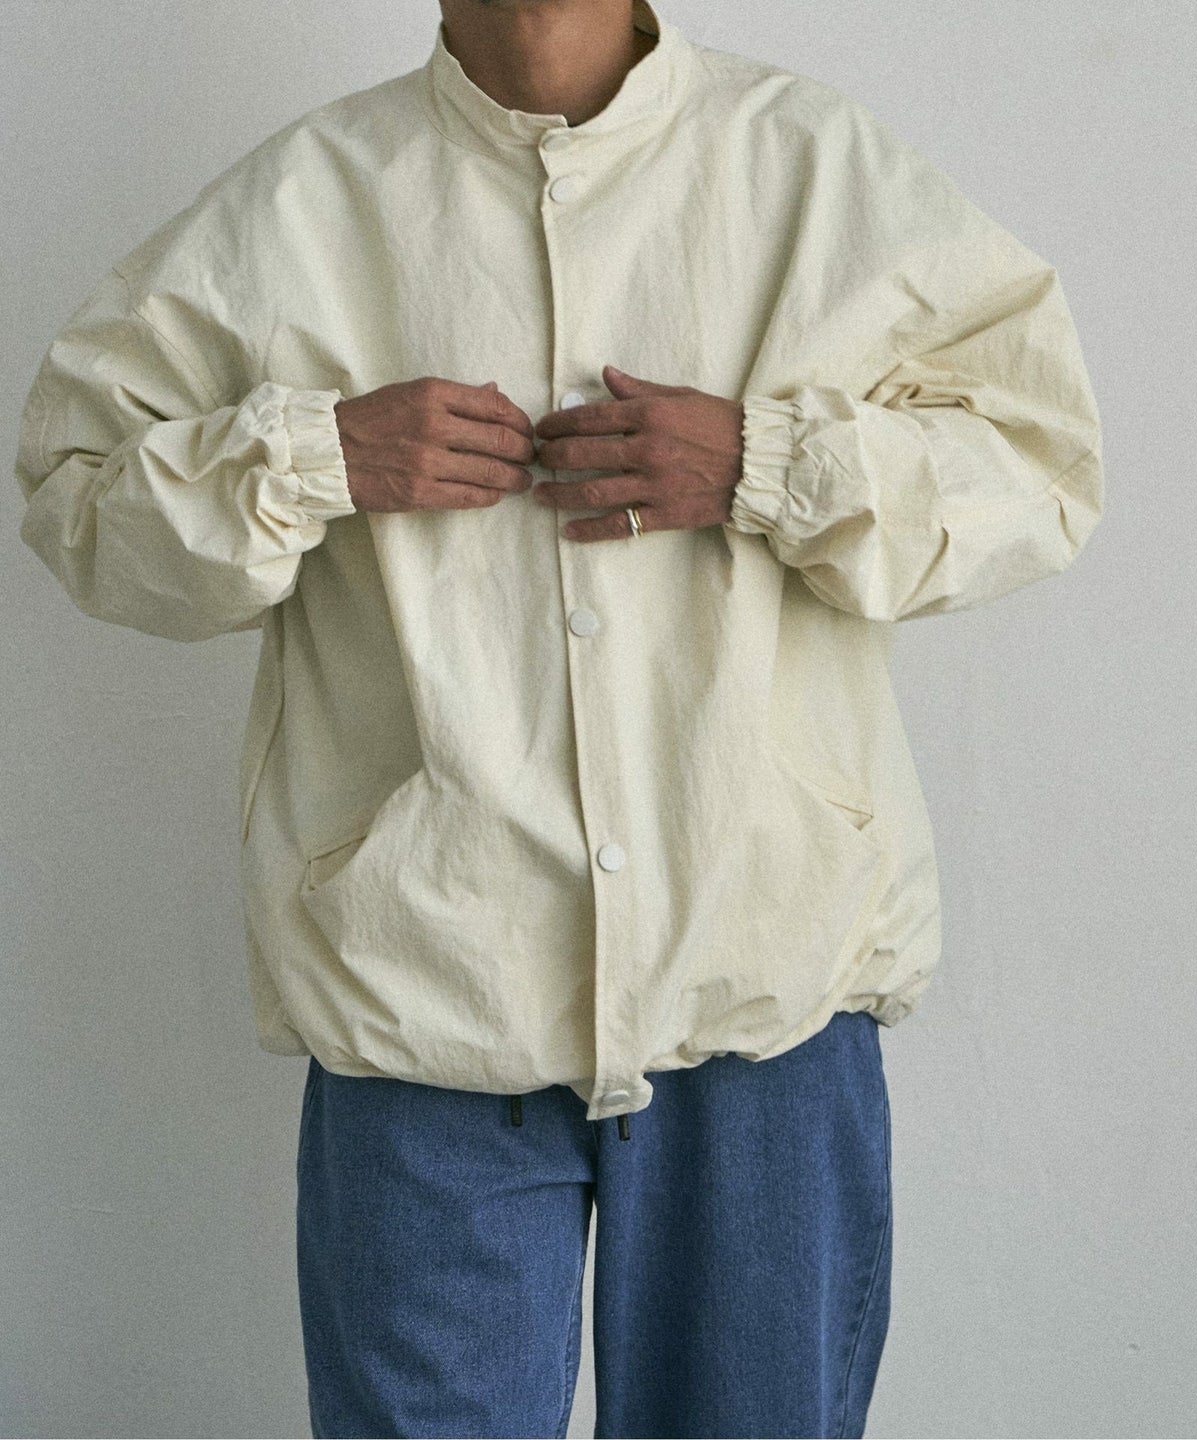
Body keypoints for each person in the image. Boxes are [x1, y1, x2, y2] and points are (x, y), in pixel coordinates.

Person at [13, 1, 1104, 1435]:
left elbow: (1042, 462)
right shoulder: (300, 206)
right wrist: (312, 454)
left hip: (764, 992)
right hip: (430, 1000)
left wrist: (774, 464)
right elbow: (76, 495)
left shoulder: (817, 173)